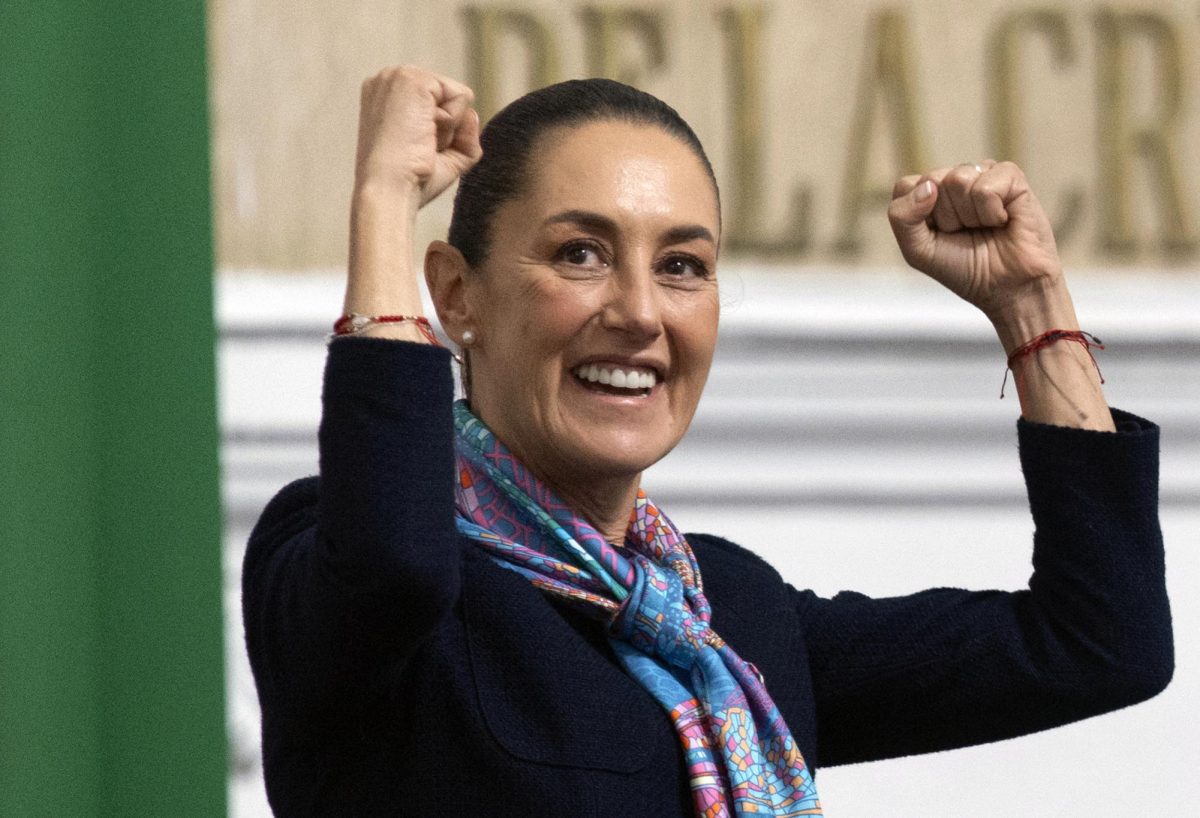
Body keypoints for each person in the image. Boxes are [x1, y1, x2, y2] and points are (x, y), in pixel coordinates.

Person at [242, 66, 1173, 816]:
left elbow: (1099, 641)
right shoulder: (340, 562)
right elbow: (398, 564)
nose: (641, 312)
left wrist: (1032, 307)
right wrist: (381, 203)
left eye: (682, 266)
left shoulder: (725, 616)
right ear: (454, 295)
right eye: (581, 253)